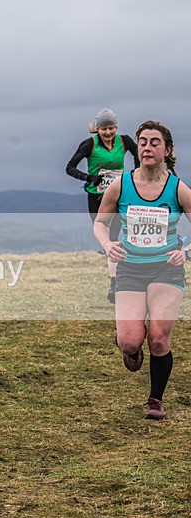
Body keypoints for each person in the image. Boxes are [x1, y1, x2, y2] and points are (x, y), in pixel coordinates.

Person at [94, 120, 190, 420]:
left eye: (154, 142)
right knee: (129, 341)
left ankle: (155, 400)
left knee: (159, 338)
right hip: (131, 270)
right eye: (143, 142)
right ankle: (131, 341)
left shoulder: (178, 188)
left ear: (167, 150)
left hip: (166, 269)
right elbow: (100, 223)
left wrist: (184, 251)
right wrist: (108, 244)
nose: (147, 147)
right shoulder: (121, 185)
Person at [67, 109, 139, 303]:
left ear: (116, 127)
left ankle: (116, 285)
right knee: (106, 238)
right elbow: (69, 168)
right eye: (104, 129)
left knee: (114, 238)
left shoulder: (124, 141)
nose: (108, 132)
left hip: (118, 196)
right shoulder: (89, 144)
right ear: (97, 129)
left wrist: (135, 176)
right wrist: (89, 177)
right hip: (97, 197)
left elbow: (138, 155)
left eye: (111, 128)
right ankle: (117, 282)